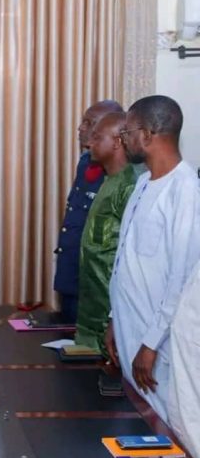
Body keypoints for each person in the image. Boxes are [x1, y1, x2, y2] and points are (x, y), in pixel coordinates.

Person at [107, 95, 200, 422]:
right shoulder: (144, 183)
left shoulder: (185, 190)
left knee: (168, 428)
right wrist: (114, 319)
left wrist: (150, 344)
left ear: (147, 135)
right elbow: (126, 260)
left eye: (127, 132)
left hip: (159, 344)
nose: (124, 139)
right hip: (129, 327)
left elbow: (182, 279)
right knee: (138, 426)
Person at [75, 113, 143, 355]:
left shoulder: (129, 186)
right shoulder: (109, 181)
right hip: (91, 317)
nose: (89, 143)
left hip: (111, 320)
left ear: (117, 141)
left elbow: (133, 257)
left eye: (97, 138)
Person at [53, 100, 123, 323]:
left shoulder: (125, 176)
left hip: (98, 282)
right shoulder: (85, 162)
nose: (80, 128)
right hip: (72, 273)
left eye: (89, 123)